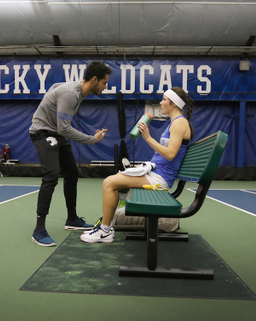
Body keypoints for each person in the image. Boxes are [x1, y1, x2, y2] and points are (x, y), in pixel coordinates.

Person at [81, 87, 194, 243]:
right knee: (113, 183)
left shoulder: (179, 123)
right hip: (156, 172)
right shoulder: (175, 123)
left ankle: (105, 231)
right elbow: (165, 156)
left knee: (109, 183)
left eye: (164, 100)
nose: (161, 103)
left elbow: (170, 154)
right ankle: (105, 228)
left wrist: (147, 138)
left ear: (173, 103)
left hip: (160, 179)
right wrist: (145, 166)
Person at [29, 60, 111, 247]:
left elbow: (54, 87)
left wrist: (41, 108)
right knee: (51, 175)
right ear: (94, 79)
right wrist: (92, 139)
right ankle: (39, 229)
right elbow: (64, 129)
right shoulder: (71, 94)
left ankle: (72, 219)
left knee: (71, 173)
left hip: (55, 132)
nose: (106, 87)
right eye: (105, 83)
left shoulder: (78, 90)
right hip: (43, 132)